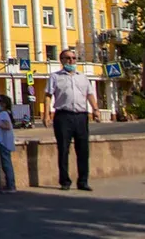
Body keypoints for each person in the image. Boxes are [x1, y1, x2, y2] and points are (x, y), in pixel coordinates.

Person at [45, 47, 101, 191]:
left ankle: (83, 181)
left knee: (83, 150)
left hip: (81, 116)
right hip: (63, 116)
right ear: (62, 61)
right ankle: (65, 181)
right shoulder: (55, 77)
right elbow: (48, 95)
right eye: (68, 58)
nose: (71, 61)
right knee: (63, 149)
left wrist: (95, 109)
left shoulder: (82, 77)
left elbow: (89, 94)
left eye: (74, 58)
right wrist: (47, 114)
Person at [0, 94, 17, 193]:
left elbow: (6, 126)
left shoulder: (3, 114)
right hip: (3, 141)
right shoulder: (4, 113)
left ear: (3, 104)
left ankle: (11, 185)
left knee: (6, 164)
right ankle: (9, 184)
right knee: (5, 163)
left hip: (4, 142)